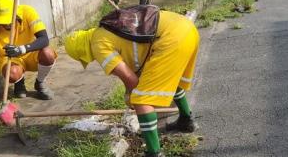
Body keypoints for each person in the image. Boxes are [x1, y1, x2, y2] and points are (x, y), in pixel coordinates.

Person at [64, 9, 199, 157]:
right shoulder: (104, 30)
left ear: (80, 51)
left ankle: (154, 153)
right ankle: (186, 121)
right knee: (168, 79)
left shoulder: (98, 45)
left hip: (171, 38)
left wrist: (131, 95)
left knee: (141, 99)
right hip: (186, 27)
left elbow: (130, 79)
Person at [0, 0, 56, 100]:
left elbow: (44, 39)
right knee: (12, 73)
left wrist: (21, 49)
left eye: (9, 20)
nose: (6, 24)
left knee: (48, 54)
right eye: (3, 22)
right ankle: (19, 83)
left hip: (31, 53)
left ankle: (40, 83)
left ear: (16, 14)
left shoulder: (28, 12)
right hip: (11, 59)